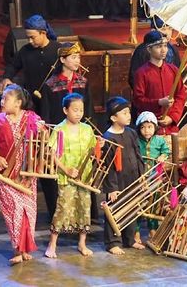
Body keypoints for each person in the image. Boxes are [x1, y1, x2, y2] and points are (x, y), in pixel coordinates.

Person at [0, 84, 40, 264]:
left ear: (17, 103)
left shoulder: (31, 118)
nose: (2, 101)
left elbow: (43, 136)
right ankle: (16, 249)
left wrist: (42, 129)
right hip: (7, 174)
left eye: (6, 99)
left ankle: (25, 248)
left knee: (27, 213)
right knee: (13, 211)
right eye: (2, 98)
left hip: (26, 174)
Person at [39, 41, 93, 221]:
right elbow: (46, 114)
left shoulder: (83, 82)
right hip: (60, 135)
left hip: (79, 134)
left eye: (78, 57)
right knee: (58, 173)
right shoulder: (51, 85)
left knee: (82, 168)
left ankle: (83, 213)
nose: (77, 60)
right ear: (63, 59)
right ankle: (60, 213)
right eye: (73, 57)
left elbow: (89, 110)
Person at [44, 92, 96, 259]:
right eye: (75, 110)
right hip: (66, 176)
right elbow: (50, 153)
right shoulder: (60, 129)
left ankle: (82, 242)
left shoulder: (87, 129)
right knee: (63, 208)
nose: (79, 113)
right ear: (65, 110)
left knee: (84, 207)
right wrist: (65, 169)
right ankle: (52, 243)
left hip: (84, 176)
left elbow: (93, 150)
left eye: (81, 110)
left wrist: (99, 146)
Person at [102, 96, 146, 255]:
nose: (129, 116)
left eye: (129, 113)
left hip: (133, 177)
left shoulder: (132, 133)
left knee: (132, 208)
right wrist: (111, 188)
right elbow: (107, 166)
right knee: (114, 210)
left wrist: (142, 175)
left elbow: (138, 154)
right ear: (114, 117)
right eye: (124, 113)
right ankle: (113, 242)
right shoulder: (108, 137)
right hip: (117, 180)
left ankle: (130, 239)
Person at [0, 14, 61, 112]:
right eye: (28, 38)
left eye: (33, 37)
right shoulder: (25, 51)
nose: (30, 41)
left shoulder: (58, 49)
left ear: (43, 33)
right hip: (32, 100)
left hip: (54, 99)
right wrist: (7, 78)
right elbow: (12, 66)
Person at [132, 30, 186, 135]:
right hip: (150, 128)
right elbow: (138, 100)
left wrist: (173, 117)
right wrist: (159, 102)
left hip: (171, 126)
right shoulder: (141, 73)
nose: (163, 50)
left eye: (165, 45)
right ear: (149, 49)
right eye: (158, 47)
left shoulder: (173, 70)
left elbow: (180, 95)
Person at [135, 111, 170, 242]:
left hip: (155, 176)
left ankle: (152, 228)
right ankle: (136, 231)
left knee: (154, 203)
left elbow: (166, 151)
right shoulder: (137, 141)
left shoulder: (159, 140)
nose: (146, 130)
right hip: (141, 176)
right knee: (139, 203)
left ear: (155, 127)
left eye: (149, 127)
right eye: (143, 127)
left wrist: (162, 156)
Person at [128, 19, 180, 88]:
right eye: (164, 29)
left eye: (170, 29)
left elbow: (177, 72)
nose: (168, 33)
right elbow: (134, 77)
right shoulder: (143, 50)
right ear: (153, 31)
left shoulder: (173, 50)